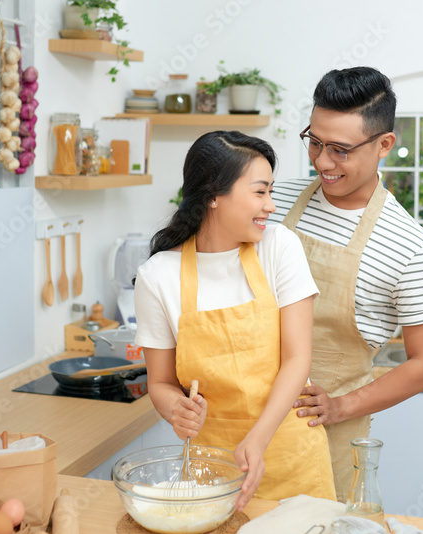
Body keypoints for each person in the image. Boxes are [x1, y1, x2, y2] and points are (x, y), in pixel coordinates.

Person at [270, 67, 423, 501]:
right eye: (314, 141)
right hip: (244, 418)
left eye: (340, 149)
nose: (321, 161)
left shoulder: (409, 246)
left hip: (324, 436)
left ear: (384, 144)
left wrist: (340, 406)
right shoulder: (273, 201)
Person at [134, 130, 336, 510]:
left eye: (271, 192)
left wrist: (257, 440)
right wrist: (174, 409)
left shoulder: (279, 247)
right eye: (260, 193)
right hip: (215, 471)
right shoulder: (157, 275)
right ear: (213, 196)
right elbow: (159, 383)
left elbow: (297, 358)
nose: (271, 206)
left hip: (293, 459)